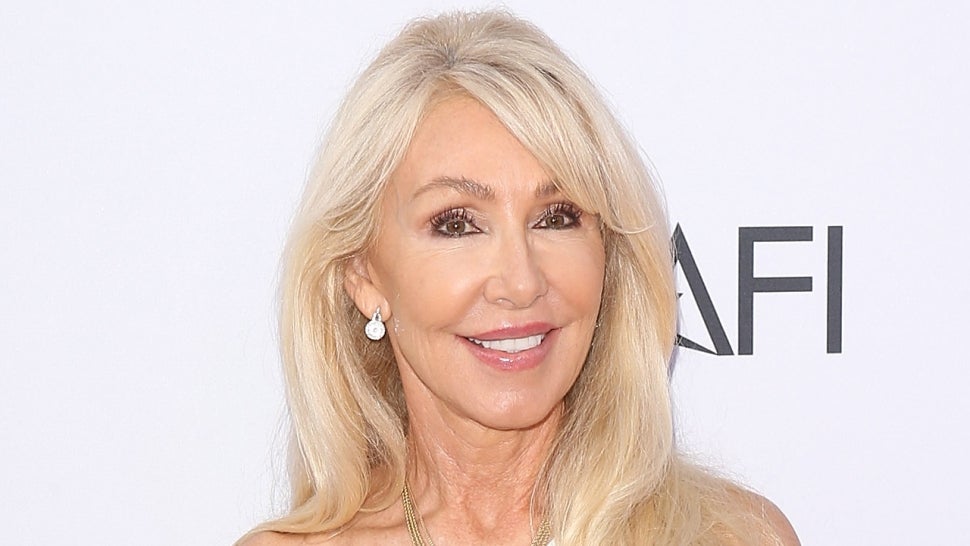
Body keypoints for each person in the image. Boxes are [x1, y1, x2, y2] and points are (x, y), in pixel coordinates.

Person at [239, 9, 799, 546]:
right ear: (363, 274)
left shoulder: (734, 537)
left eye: (557, 217)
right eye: (456, 224)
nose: (521, 281)